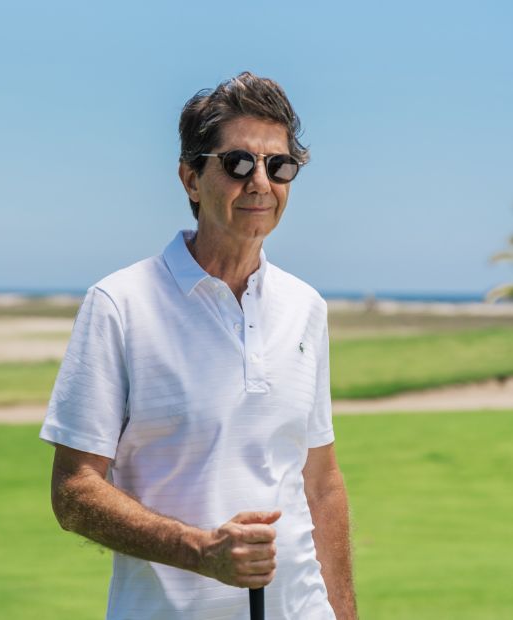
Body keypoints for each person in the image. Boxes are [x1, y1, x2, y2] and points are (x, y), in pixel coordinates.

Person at [39, 71, 357, 620]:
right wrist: (202, 552)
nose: (260, 182)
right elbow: (74, 492)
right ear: (190, 178)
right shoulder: (119, 304)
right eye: (238, 163)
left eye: (279, 166)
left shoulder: (307, 307)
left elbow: (321, 483)